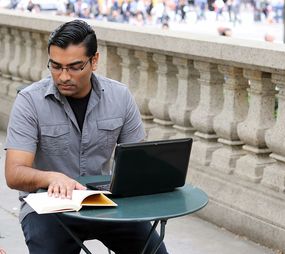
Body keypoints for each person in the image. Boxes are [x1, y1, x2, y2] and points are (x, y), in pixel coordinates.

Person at [4, 19, 168, 254]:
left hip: (105, 204)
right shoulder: (30, 101)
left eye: (74, 67)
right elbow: (14, 173)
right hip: (49, 210)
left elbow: (137, 162)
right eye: (55, 66)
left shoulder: (120, 97)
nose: (62, 76)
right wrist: (52, 178)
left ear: (94, 61)